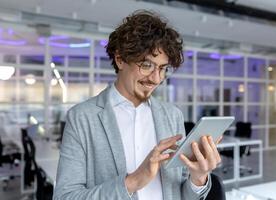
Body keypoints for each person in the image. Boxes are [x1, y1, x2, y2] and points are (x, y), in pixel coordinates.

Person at [54, 10, 221, 200]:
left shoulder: (172, 115)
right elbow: (64, 196)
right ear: (120, 59)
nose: (156, 78)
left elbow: (180, 192)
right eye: (147, 65)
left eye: (163, 68)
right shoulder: (82, 117)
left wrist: (198, 177)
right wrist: (134, 181)